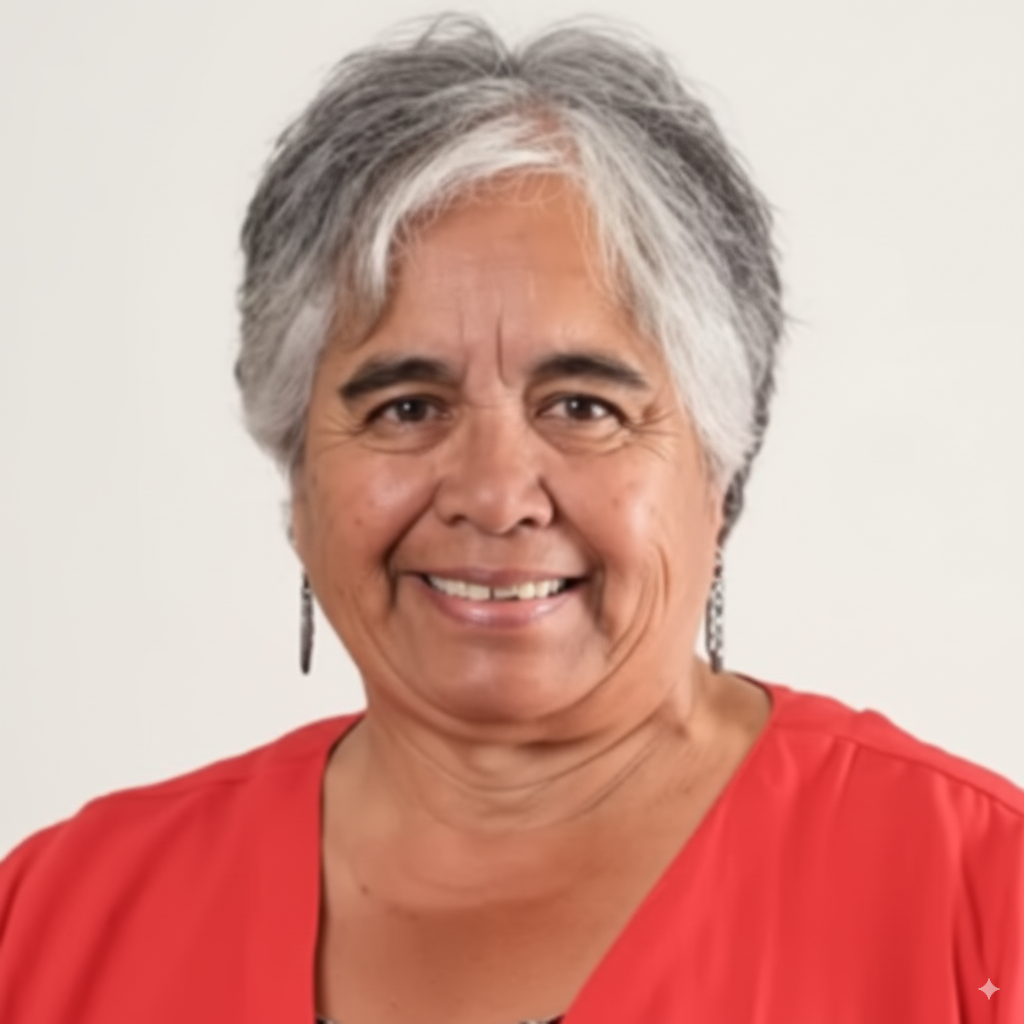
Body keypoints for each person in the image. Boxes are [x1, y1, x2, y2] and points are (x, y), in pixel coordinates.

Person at [0, 14, 1021, 1024]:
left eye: (582, 406)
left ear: (720, 467)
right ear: (297, 472)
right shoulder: (49, 924)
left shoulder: (980, 910)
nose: (493, 496)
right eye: (406, 407)